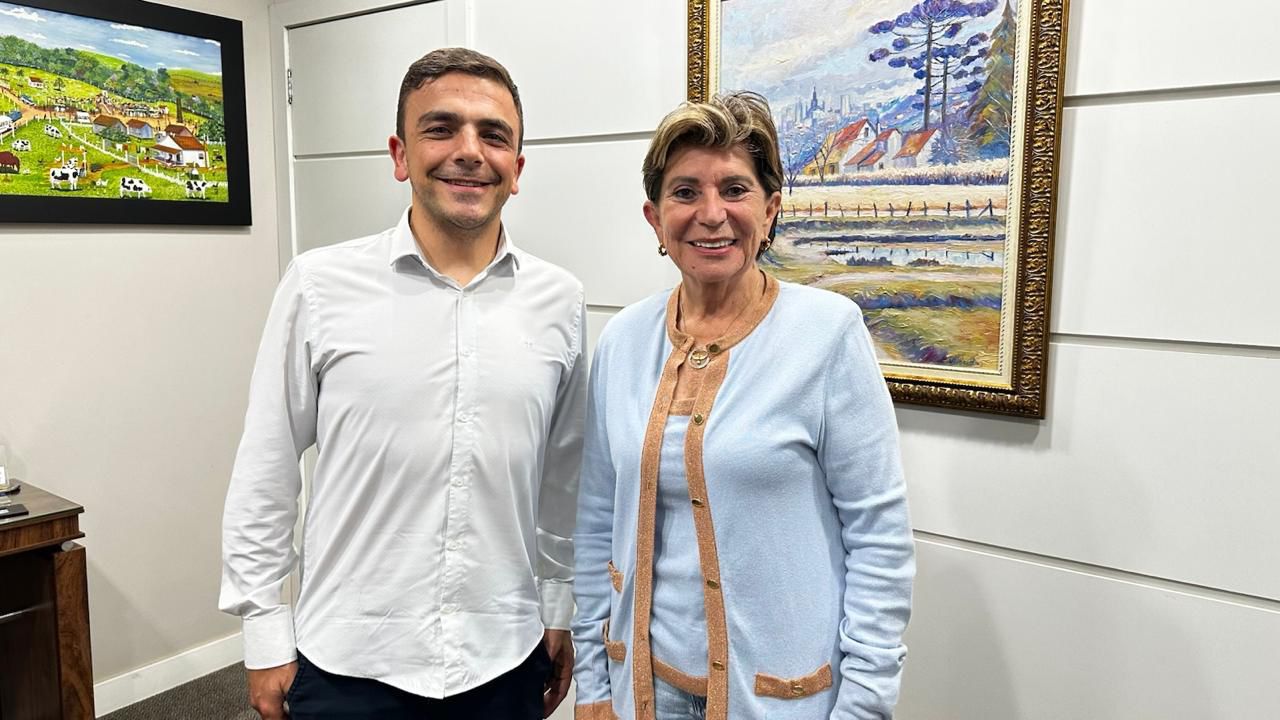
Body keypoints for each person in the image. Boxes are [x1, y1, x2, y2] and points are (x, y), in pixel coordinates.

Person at [220, 48, 585, 720]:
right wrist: (263, 627)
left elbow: (564, 478)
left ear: (516, 168)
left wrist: (559, 604)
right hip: (351, 661)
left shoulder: (560, 302)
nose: (469, 151)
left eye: (493, 135)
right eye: (440, 129)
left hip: (503, 655)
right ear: (400, 154)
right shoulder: (318, 286)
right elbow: (266, 467)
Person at [570, 92, 915, 720]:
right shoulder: (622, 340)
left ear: (770, 209)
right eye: (685, 193)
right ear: (654, 218)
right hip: (642, 689)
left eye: (734, 189)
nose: (712, 215)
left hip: (779, 697)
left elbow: (879, 538)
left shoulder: (828, 334)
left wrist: (864, 704)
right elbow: (596, 523)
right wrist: (594, 683)